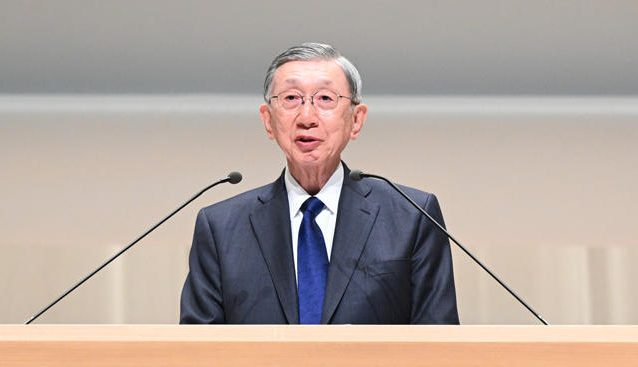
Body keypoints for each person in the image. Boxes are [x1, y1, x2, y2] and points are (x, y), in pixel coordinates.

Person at [180, 42, 458, 324]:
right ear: (268, 120)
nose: (307, 118)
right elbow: (196, 345)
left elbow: (441, 340)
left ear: (356, 120)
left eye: (325, 98)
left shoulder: (412, 217)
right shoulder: (221, 228)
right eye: (291, 98)